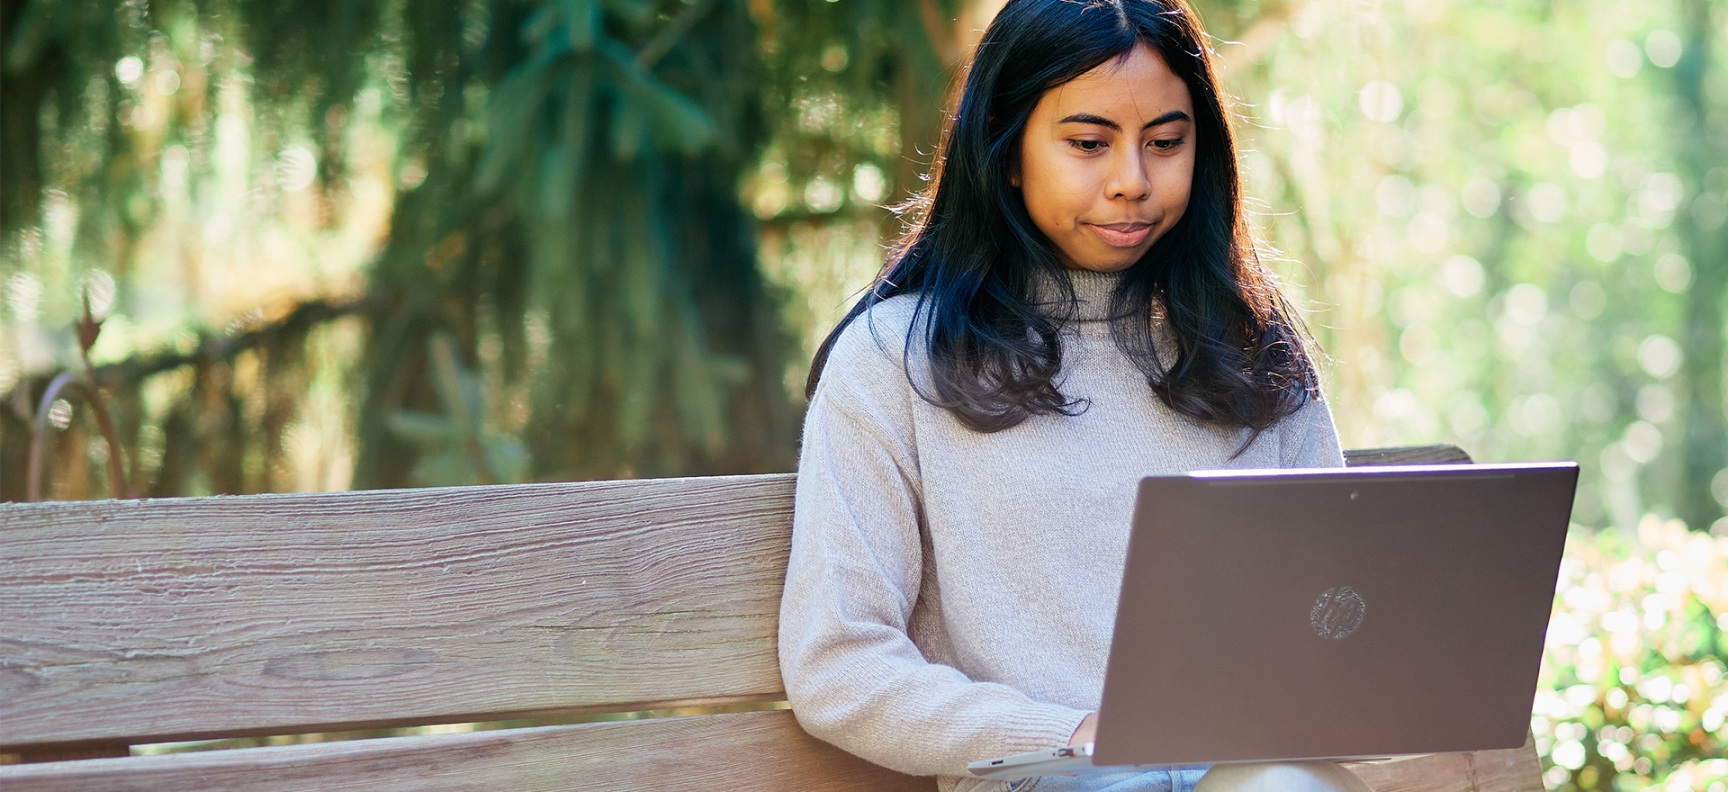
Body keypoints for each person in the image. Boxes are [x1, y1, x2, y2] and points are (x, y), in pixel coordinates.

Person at [777, 1, 1362, 790]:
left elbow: (1335, 620)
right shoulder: (894, 360)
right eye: (1088, 143)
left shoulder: (1249, 351)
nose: (1132, 181)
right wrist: (1076, 736)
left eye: (1166, 143)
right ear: (1007, 148)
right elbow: (838, 664)